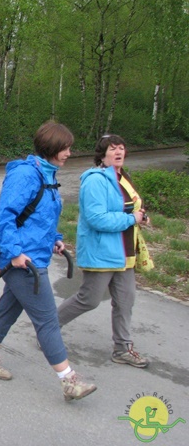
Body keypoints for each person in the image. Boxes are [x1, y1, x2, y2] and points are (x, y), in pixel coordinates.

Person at [0, 121, 97, 402]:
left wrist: (54, 237)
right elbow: (5, 216)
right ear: (52, 148)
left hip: (34, 256)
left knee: (8, 309)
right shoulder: (27, 176)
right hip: (22, 261)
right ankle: (69, 381)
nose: (69, 152)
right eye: (66, 148)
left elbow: (42, 215)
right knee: (47, 320)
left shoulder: (48, 175)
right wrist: (15, 252)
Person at [58, 134, 150, 368]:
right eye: (112, 149)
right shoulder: (95, 180)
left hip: (124, 252)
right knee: (88, 300)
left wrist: (140, 217)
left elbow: (130, 207)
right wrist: (131, 218)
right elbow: (97, 219)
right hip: (102, 252)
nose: (118, 152)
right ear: (102, 154)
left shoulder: (122, 177)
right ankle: (47, 330)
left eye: (121, 148)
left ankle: (122, 349)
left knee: (125, 301)